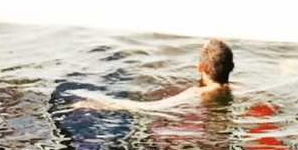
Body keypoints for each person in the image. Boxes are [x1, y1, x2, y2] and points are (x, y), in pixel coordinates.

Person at [72, 39, 234, 111]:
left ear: (199, 68)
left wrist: (102, 105)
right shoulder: (234, 88)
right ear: (231, 67)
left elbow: (151, 108)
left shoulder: (198, 93)